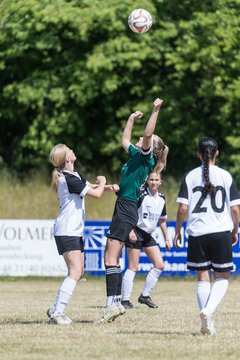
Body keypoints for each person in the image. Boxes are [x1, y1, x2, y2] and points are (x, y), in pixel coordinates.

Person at [97, 98, 169, 323]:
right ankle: (116, 302)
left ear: (152, 148)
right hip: (125, 205)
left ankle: (112, 305)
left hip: (127, 209)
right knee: (113, 258)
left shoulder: (146, 157)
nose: (141, 138)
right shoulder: (137, 156)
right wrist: (130, 119)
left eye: (147, 140)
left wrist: (155, 110)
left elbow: (147, 135)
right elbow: (125, 139)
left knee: (110, 258)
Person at [173, 136, 240, 336]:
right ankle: (209, 311)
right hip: (220, 232)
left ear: (198, 154)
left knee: (203, 278)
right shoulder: (226, 176)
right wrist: (235, 230)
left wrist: (177, 230)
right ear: (217, 153)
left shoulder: (190, 176)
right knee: (222, 277)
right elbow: (235, 209)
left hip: (197, 233)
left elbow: (183, 208)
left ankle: (207, 322)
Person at [47, 143, 118, 325]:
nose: (73, 150)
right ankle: (58, 311)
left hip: (72, 230)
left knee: (78, 272)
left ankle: (55, 308)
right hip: (67, 230)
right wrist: (103, 183)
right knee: (75, 271)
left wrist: (108, 187)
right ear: (67, 158)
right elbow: (96, 194)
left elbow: (88, 186)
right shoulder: (68, 179)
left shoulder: (74, 176)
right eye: (69, 150)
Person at [121, 171, 171, 309]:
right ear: (147, 181)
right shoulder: (141, 195)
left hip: (148, 234)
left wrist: (167, 238)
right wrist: (130, 230)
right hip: (136, 231)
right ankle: (125, 300)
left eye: (156, 180)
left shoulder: (162, 198)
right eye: (151, 180)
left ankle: (145, 296)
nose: (154, 182)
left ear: (161, 182)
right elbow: (129, 213)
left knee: (159, 264)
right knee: (133, 267)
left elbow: (162, 220)